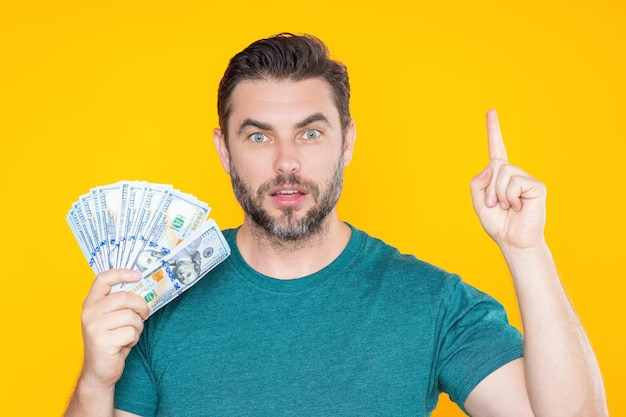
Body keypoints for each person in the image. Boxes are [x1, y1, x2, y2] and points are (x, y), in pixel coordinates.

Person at [64, 33, 608, 416]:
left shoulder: (432, 302)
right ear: (223, 150)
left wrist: (528, 250)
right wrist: (95, 380)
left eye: (310, 133)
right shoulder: (160, 296)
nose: (285, 162)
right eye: (257, 136)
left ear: (347, 142)